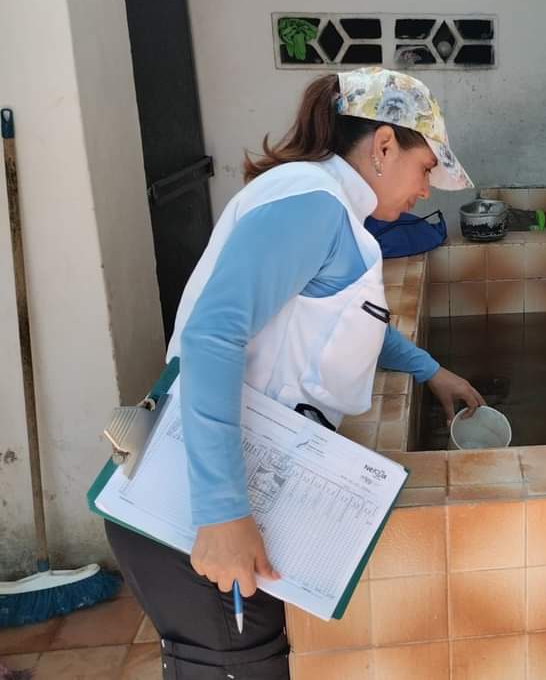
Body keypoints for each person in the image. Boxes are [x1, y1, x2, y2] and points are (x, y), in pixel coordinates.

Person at [106, 68, 484, 678]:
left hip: (235, 494)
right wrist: (223, 514)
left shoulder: (330, 211)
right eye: (426, 170)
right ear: (384, 146)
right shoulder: (311, 201)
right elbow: (212, 334)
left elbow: (343, 320)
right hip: (198, 516)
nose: (427, 192)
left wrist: (429, 370)